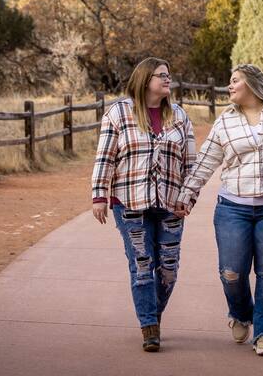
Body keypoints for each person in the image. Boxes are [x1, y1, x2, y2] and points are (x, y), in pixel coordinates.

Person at [174, 64, 263, 357]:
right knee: (231, 272)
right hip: (233, 208)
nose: (230, 86)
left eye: (235, 81)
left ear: (252, 84)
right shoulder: (225, 122)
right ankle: (240, 313)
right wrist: (186, 194)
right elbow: (205, 162)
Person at [91, 57, 196, 352]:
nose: (167, 79)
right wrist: (99, 195)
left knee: (169, 268)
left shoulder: (179, 116)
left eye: (169, 74)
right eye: (161, 75)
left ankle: (153, 312)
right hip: (129, 202)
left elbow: (191, 163)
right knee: (142, 264)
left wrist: (189, 197)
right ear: (144, 79)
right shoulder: (119, 114)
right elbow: (105, 157)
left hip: (171, 204)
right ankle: (149, 326)